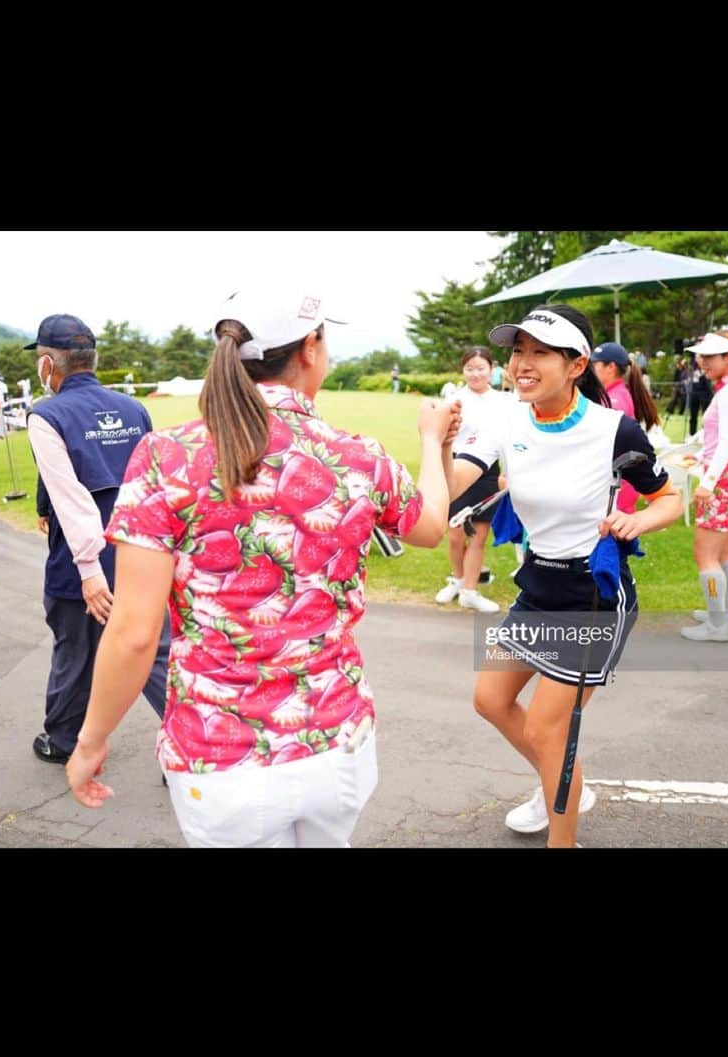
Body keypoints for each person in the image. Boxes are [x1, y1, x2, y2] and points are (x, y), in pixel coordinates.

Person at [64, 287, 455, 848]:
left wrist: (91, 740)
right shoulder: (358, 456)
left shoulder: (165, 457)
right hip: (335, 743)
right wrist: (431, 439)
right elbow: (431, 527)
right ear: (310, 348)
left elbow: (132, 633)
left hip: (219, 758)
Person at [447, 304, 683, 847]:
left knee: (547, 730)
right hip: (539, 587)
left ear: (577, 365)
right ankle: (562, 779)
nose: (522, 364)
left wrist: (638, 517)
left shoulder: (614, 430)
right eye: (518, 351)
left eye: (540, 353)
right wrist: (438, 440)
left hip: (593, 595)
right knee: (490, 701)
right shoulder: (505, 418)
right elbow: (455, 484)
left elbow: (667, 499)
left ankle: (563, 833)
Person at [24, 313, 171, 766]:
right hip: (141, 553)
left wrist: (89, 569)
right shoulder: (133, 409)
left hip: (82, 561)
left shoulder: (46, 415)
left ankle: (64, 739)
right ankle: (191, 743)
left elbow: (73, 500)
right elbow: (153, 483)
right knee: (154, 651)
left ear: (48, 363)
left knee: (76, 648)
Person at [681, 330, 728, 642]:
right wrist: (698, 456)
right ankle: (722, 613)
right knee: (723, 552)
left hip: (725, 482)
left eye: (709, 356)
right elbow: (725, 442)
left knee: (706, 556)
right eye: (701, 355)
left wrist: (707, 483)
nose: (702, 361)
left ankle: (717, 625)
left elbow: (726, 444)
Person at [435, 347, 511, 614]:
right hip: (457, 469)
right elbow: (442, 437)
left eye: (481, 368)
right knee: (455, 535)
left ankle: (470, 591)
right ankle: (457, 579)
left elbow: (508, 440)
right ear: (463, 370)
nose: (475, 374)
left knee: (478, 536)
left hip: (488, 473)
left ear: (492, 369)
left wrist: (507, 473)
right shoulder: (454, 399)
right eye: (470, 368)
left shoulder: (505, 401)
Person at [589, 342, 661, 516]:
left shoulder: (614, 400)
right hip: (618, 486)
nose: (590, 370)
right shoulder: (613, 395)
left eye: (594, 365)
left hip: (617, 489)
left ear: (611, 367)